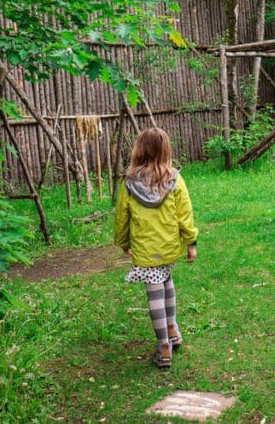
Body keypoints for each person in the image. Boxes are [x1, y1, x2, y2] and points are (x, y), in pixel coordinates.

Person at [114, 127, 198, 369]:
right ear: (165, 149)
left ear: (139, 150)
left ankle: (163, 345)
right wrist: (190, 242)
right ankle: (172, 329)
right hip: (169, 245)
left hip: (146, 249)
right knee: (167, 280)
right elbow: (185, 215)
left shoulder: (129, 182)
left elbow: (122, 216)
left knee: (154, 292)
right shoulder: (174, 178)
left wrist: (124, 242)